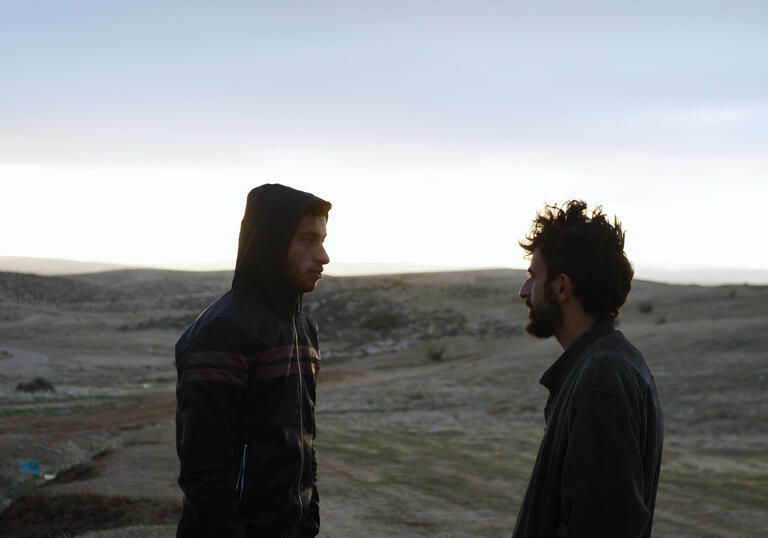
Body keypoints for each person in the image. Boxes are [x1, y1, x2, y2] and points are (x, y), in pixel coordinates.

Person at [175, 184, 331, 538]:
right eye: (307, 241)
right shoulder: (224, 330)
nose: (323, 256)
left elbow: (303, 443)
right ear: (271, 243)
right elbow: (204, 469)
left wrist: (309, 521)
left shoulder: (303, 328)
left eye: (322, 240)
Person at [513, 200, 663, 538]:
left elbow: (604, 526)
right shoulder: (607, 363)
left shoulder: (601, 379)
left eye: (533, 277)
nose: (524, 291)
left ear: (562, 287)